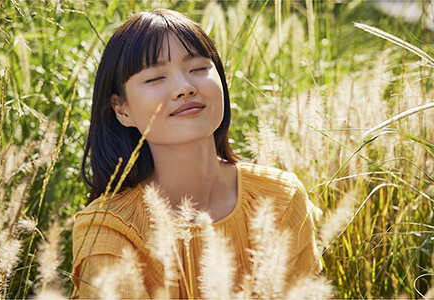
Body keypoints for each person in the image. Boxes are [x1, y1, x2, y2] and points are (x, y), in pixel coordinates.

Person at [72, 8, 322, 299]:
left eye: (199, 69)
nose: (184, 88)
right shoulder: (108, 229)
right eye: (155, 78)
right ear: (122, 109)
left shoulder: (280, 197)